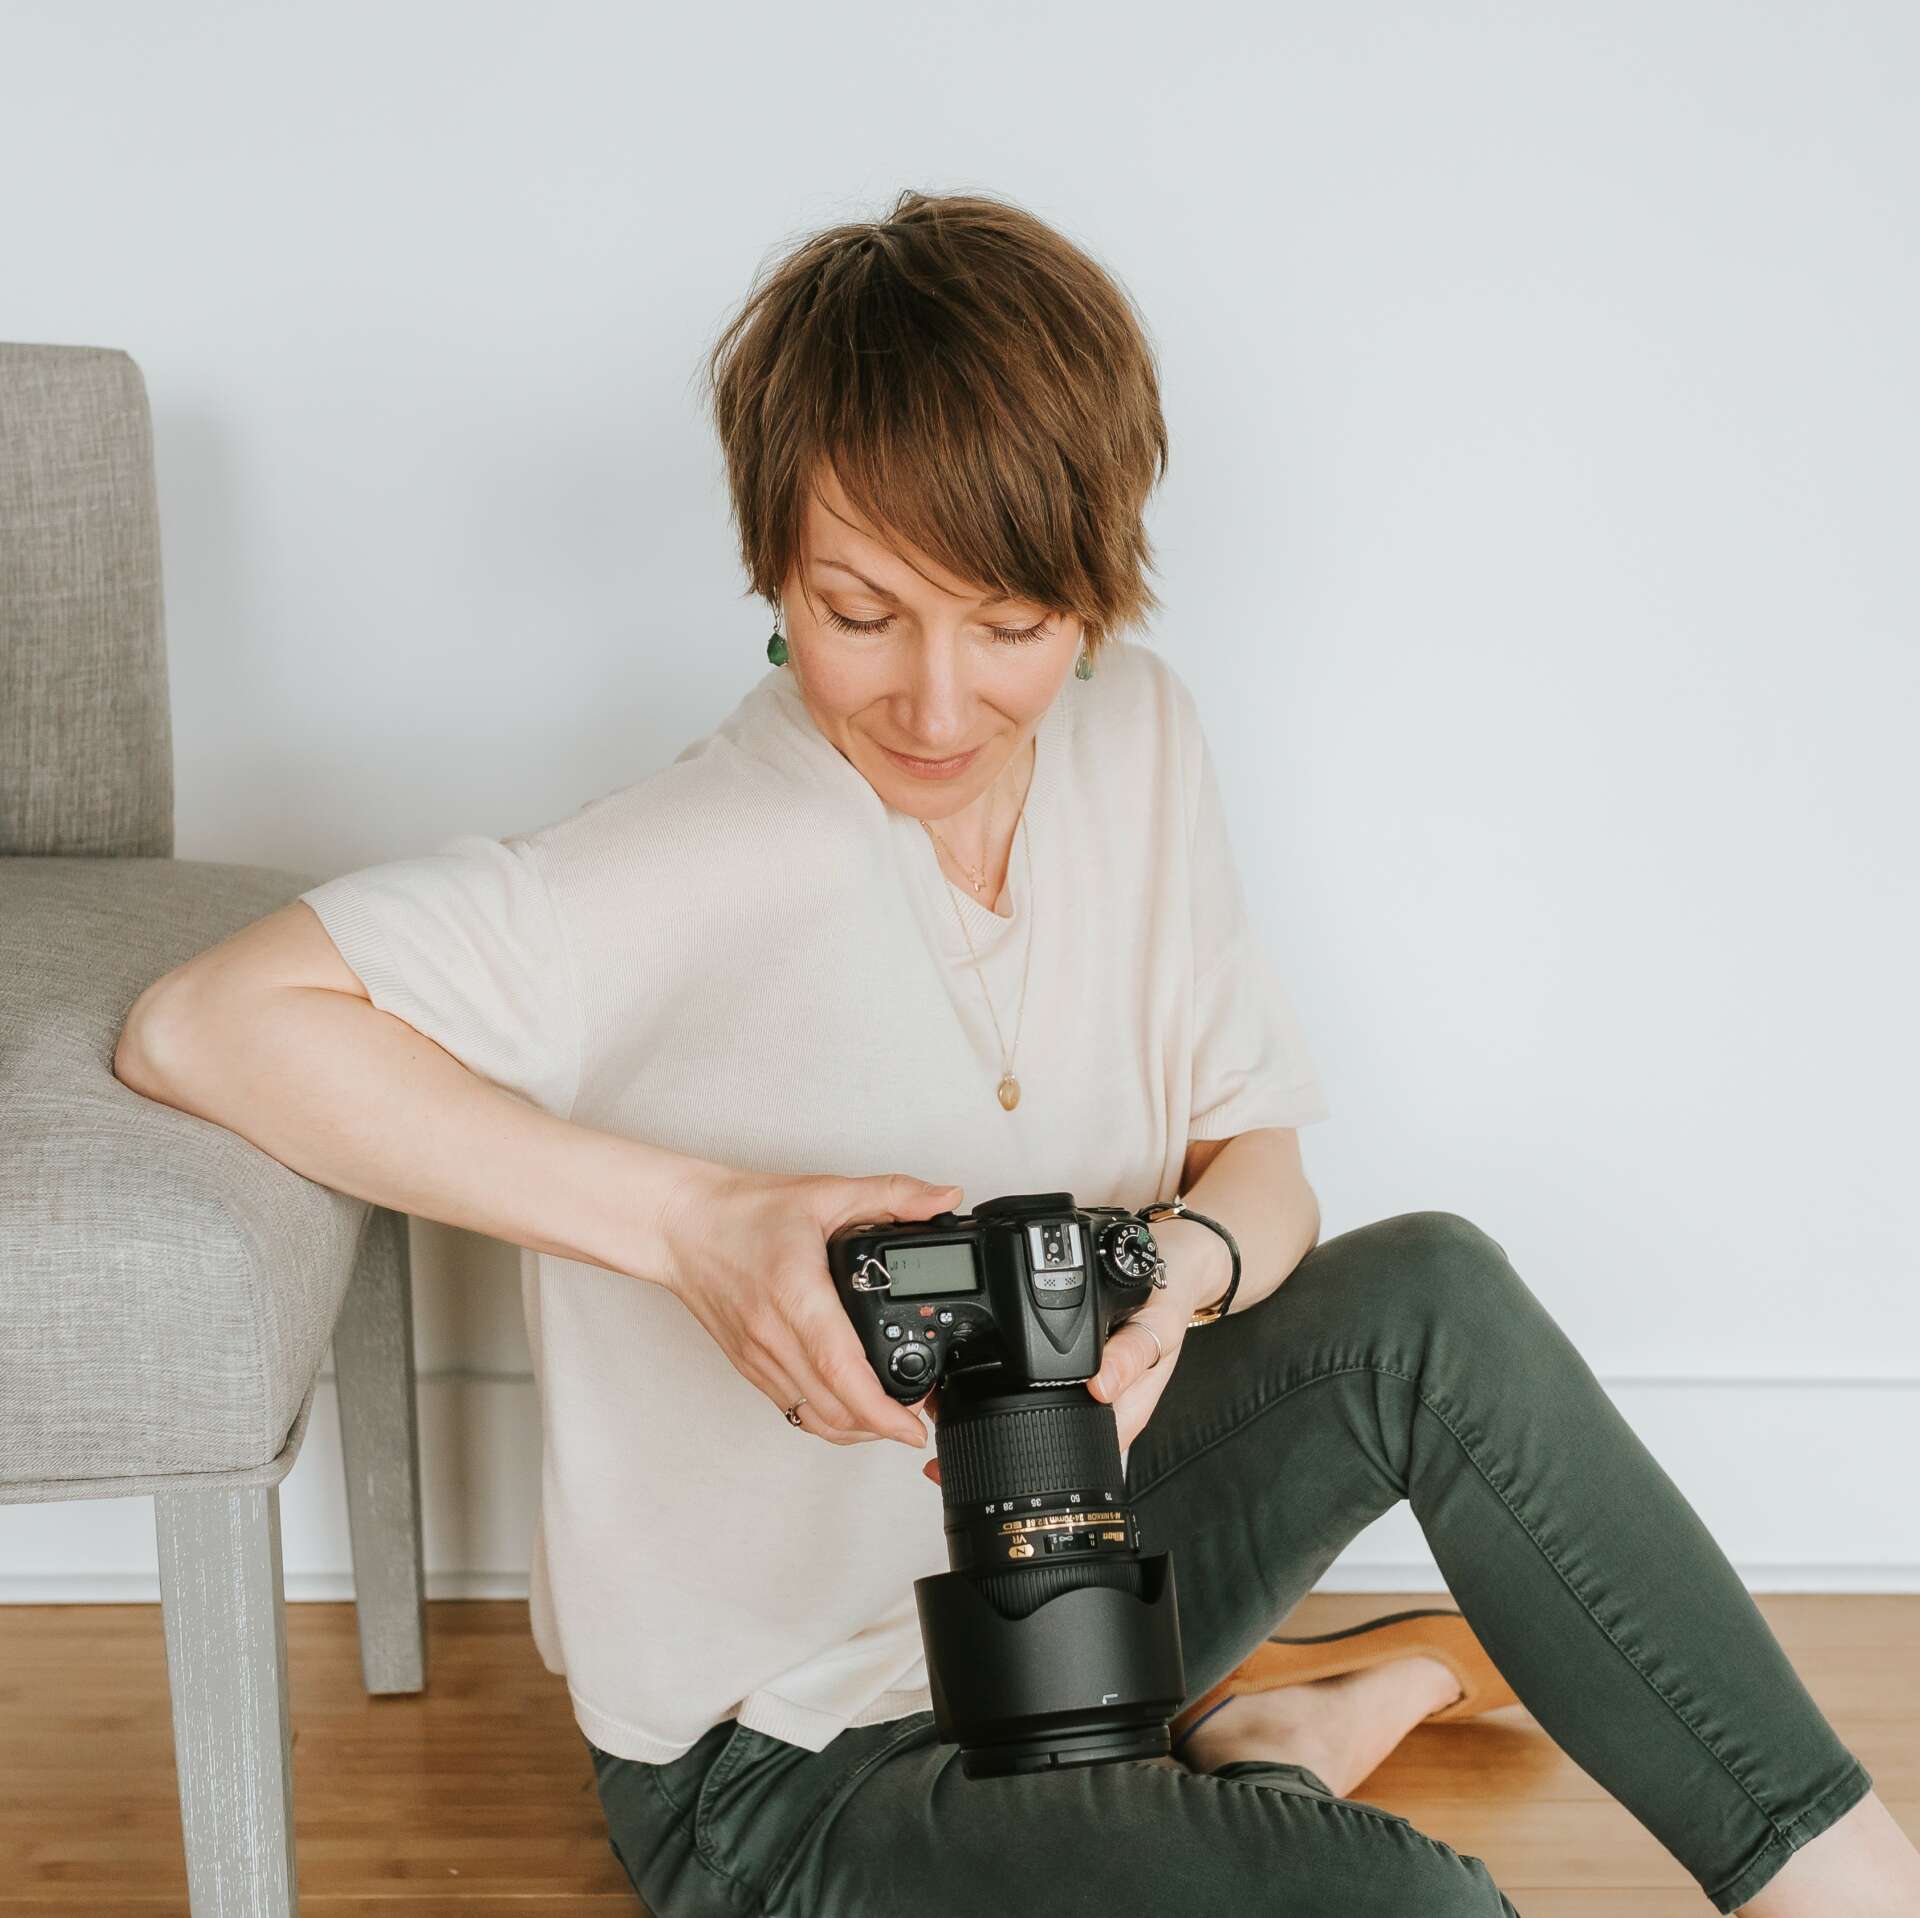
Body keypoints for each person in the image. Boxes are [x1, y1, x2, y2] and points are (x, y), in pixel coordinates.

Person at [115, 189, 1919, 1916]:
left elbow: (1264, 1166)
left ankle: (1846, 1882)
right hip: (789, 1759)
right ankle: (1260, 1763)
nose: (938, 702)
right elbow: (203, 1024)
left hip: (1076, 1580)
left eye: (1013, 625)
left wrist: (1179, 1276)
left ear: (1096, 592)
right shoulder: (678, 865)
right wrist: (691, 1225)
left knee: (1437, 1294)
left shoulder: (1141, 742)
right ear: (773, 563)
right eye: (861, 613)